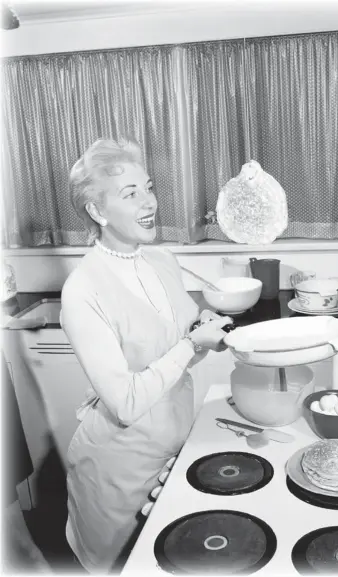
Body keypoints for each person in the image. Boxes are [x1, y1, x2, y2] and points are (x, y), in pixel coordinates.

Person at [60, 138, 231, 573]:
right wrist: (192, 344)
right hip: (119, 468)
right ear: (97, 212)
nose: (149, 202)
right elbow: (127, 402)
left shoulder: (162, 259)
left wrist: (198, 331)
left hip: (175, 442)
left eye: (149, 187)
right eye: (129, 193)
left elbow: (172, 349)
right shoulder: (83, 290)